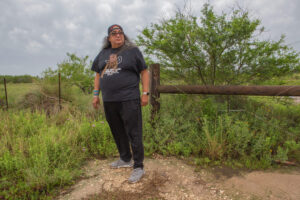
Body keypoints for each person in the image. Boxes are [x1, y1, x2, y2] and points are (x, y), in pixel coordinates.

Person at [91, 24, 149, 183]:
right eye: (114, 33)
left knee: (134, 132)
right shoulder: (103, 53)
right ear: (109, 38)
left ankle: (138, 167)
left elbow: (144, 71)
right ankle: (125, 159)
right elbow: (97, 74)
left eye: (120, 33)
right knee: (117, 130)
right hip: (109, 100)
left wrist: (145, 93)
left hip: (129, 99)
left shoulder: (133, 51)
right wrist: (96, 94)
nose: (118, 35)